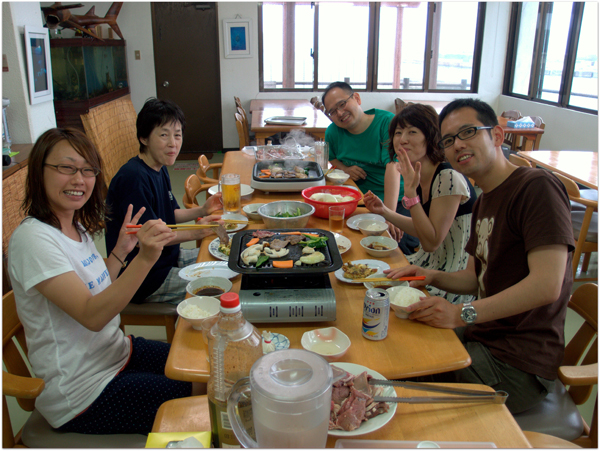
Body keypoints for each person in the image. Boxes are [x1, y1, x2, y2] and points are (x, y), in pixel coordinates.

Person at [385, 98, 575, 414]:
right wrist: (430, 276)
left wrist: (462, 314)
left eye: (468, 132)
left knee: (405, 394)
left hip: (517, 364)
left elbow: (547, 285)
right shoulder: (486, 199)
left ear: (498, 136)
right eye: (448, 140)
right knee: (399, 342)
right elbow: (474, 278)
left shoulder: (536, 187)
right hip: (483, 337)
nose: (457, 145)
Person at [7, 128, 198, 434]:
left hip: (115, 353)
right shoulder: (33, 239)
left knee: (200, 366)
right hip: (83, 391)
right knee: (202, 397)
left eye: (87, 170)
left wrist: (121, 252)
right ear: (38, 173)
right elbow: (93, 315)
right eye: (66, 168)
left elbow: (98, 288)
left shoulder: (74, 227)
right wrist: (145, 258)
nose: (78, 180)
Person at [105, 98, 222, 304]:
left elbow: (171, 213)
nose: (173, 143)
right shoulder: (133, 178)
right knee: (222, 286)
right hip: (145, 276)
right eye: (163, 135)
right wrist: (200, 231)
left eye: (177, 135)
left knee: (223, 258)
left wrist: (202, 210)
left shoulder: (159, 166)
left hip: (167, 258)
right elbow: (152, 238)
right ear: (143, 138)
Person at [363, 103, 477, 304]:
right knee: (368, 278)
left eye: (412, 132)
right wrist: (385, 211)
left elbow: (431, 242)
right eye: (398, 132)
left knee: (378, 296)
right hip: (426, 265)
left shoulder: (447, 177)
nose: (403, 139)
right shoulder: (422, 175)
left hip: (449, 280)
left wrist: (410, 194)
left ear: (431, 136)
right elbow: (423, 229)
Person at [322, 81, 418, 253]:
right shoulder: (333, 131)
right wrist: (346, 168)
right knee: (338, 241)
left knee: (392, 245)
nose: (340, 113)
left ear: (357, 98)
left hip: (396, 201)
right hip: (359, 201)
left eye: (342, 104)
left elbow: (393, 167)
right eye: (332, 111)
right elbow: (333, 159)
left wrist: (389, 215)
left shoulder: (386, 123)